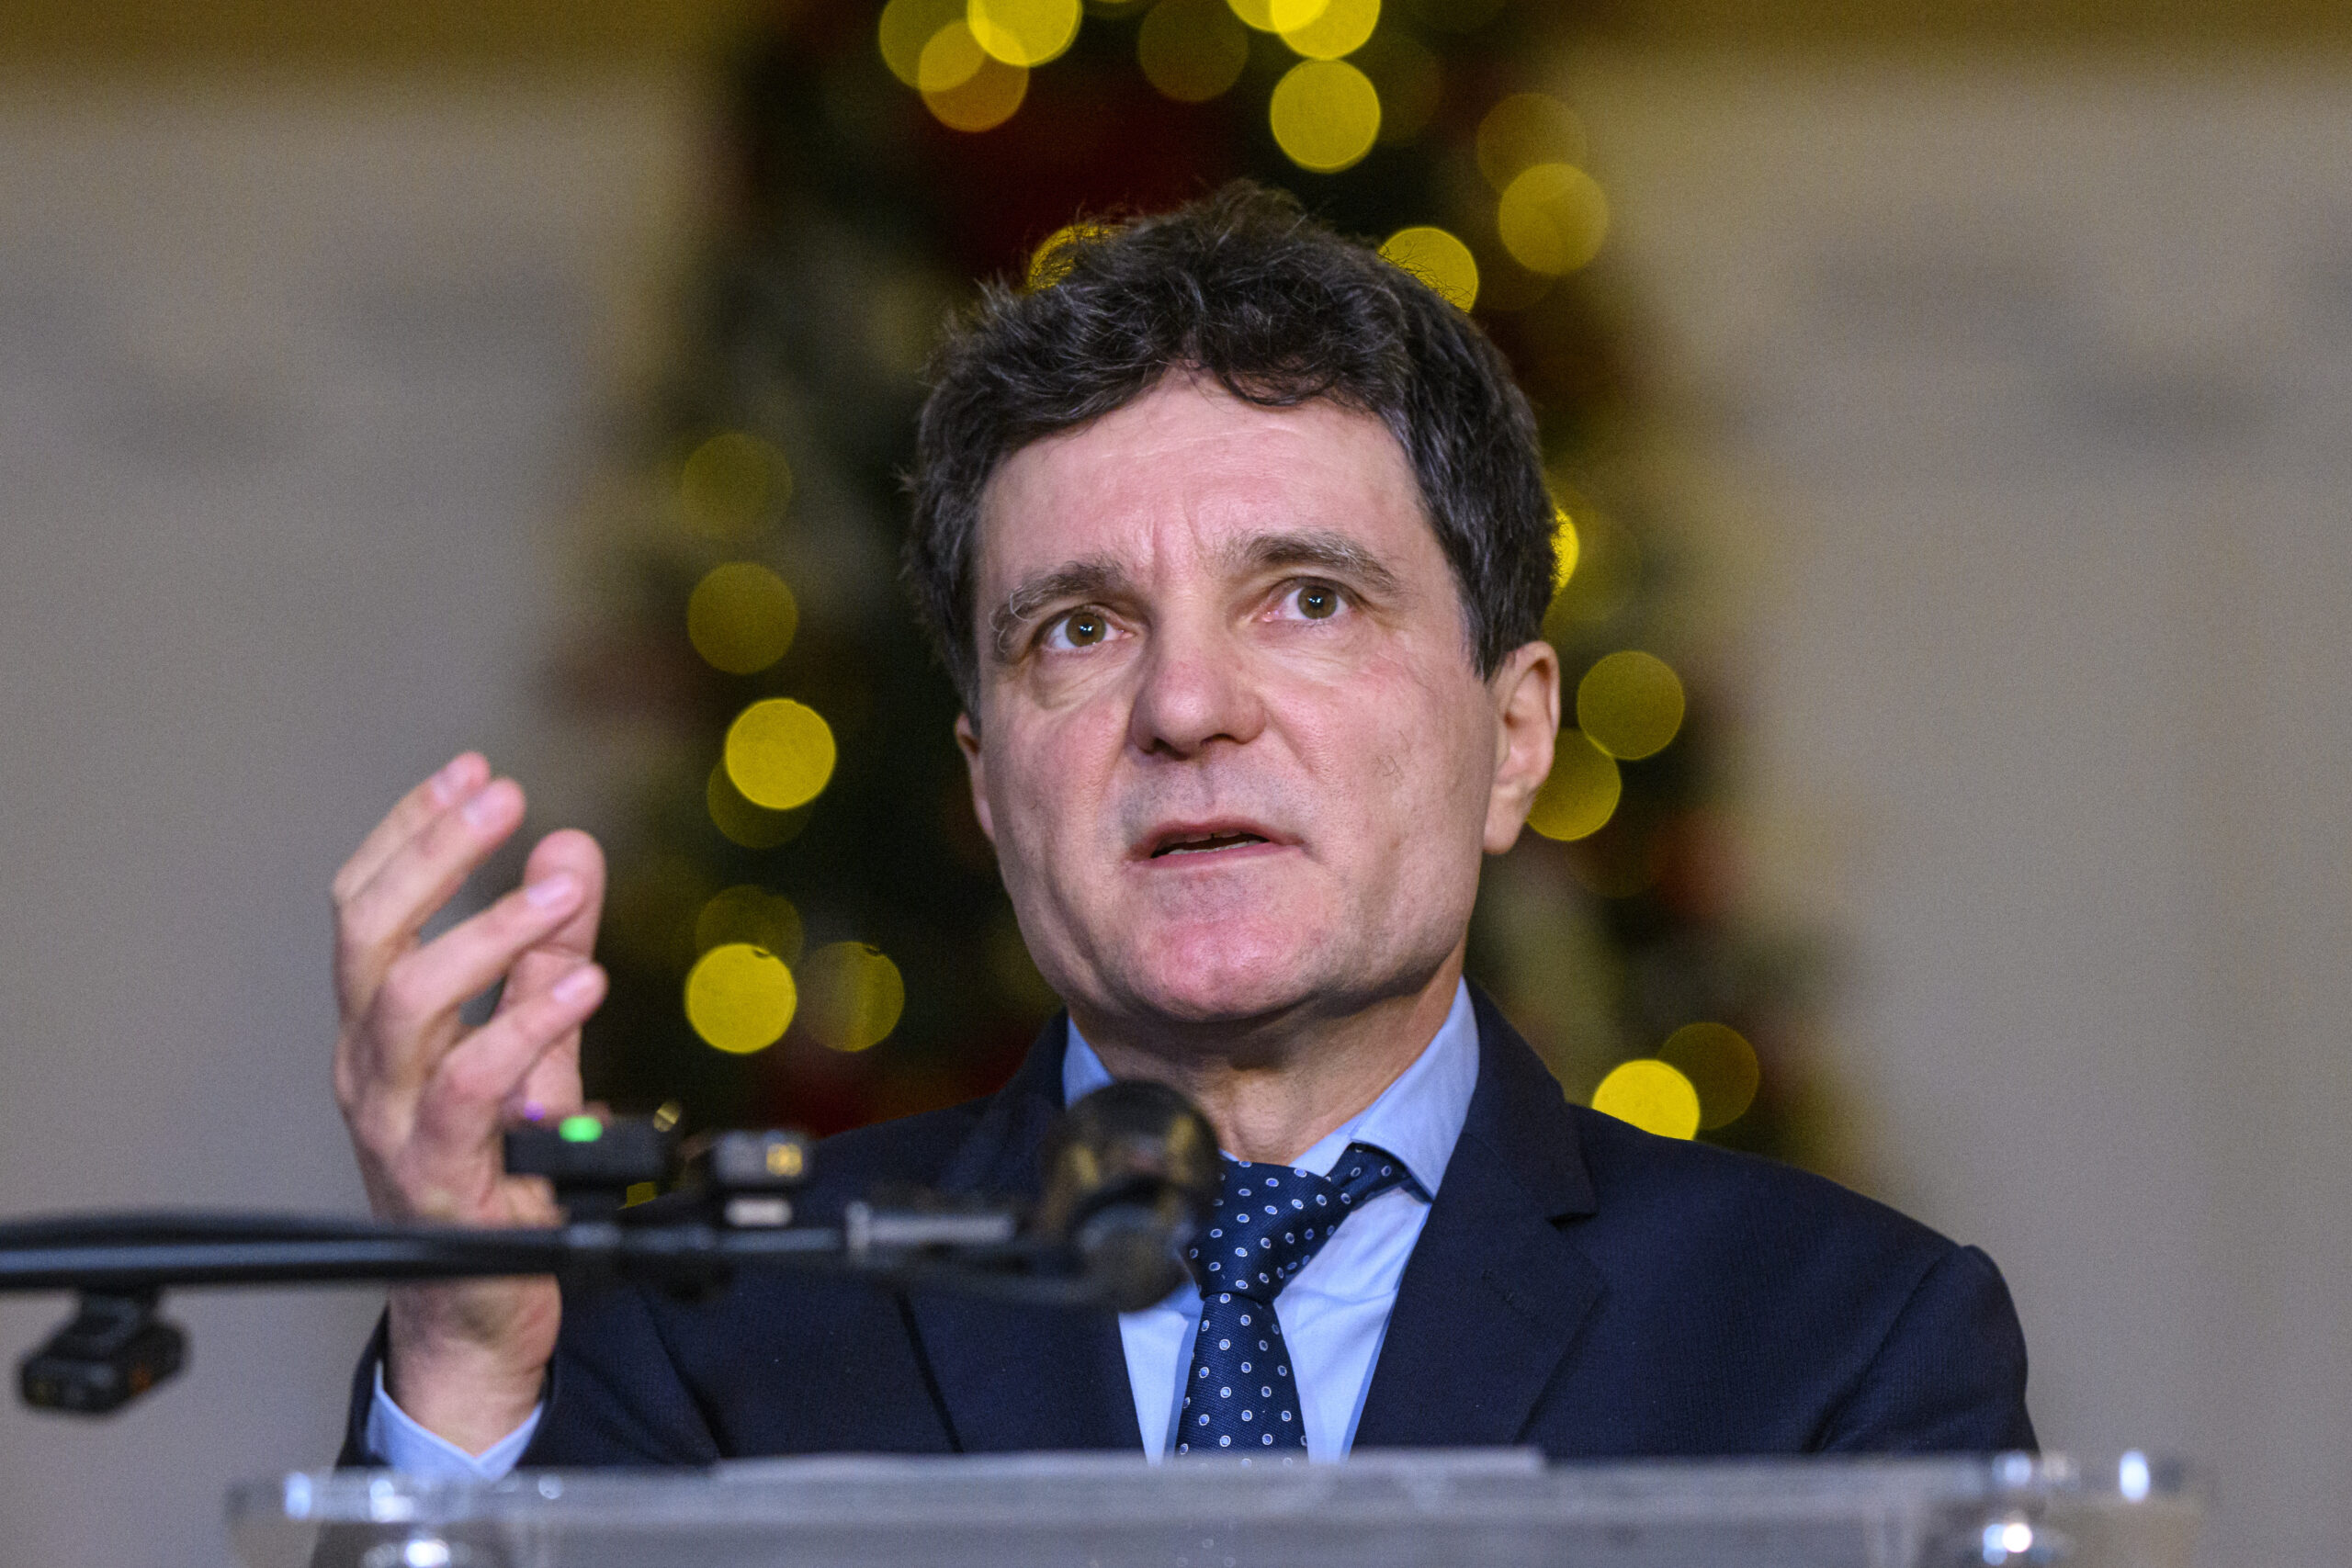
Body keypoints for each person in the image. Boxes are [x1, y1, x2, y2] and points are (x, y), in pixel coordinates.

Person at [331, 183, 2032, 1472]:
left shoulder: (1836, 1343)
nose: (1187, 706)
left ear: (1516, 737)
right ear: (988, 784)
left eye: (1307, 599)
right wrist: (467, 1357)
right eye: (1079, 629)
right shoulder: (704, 1323)